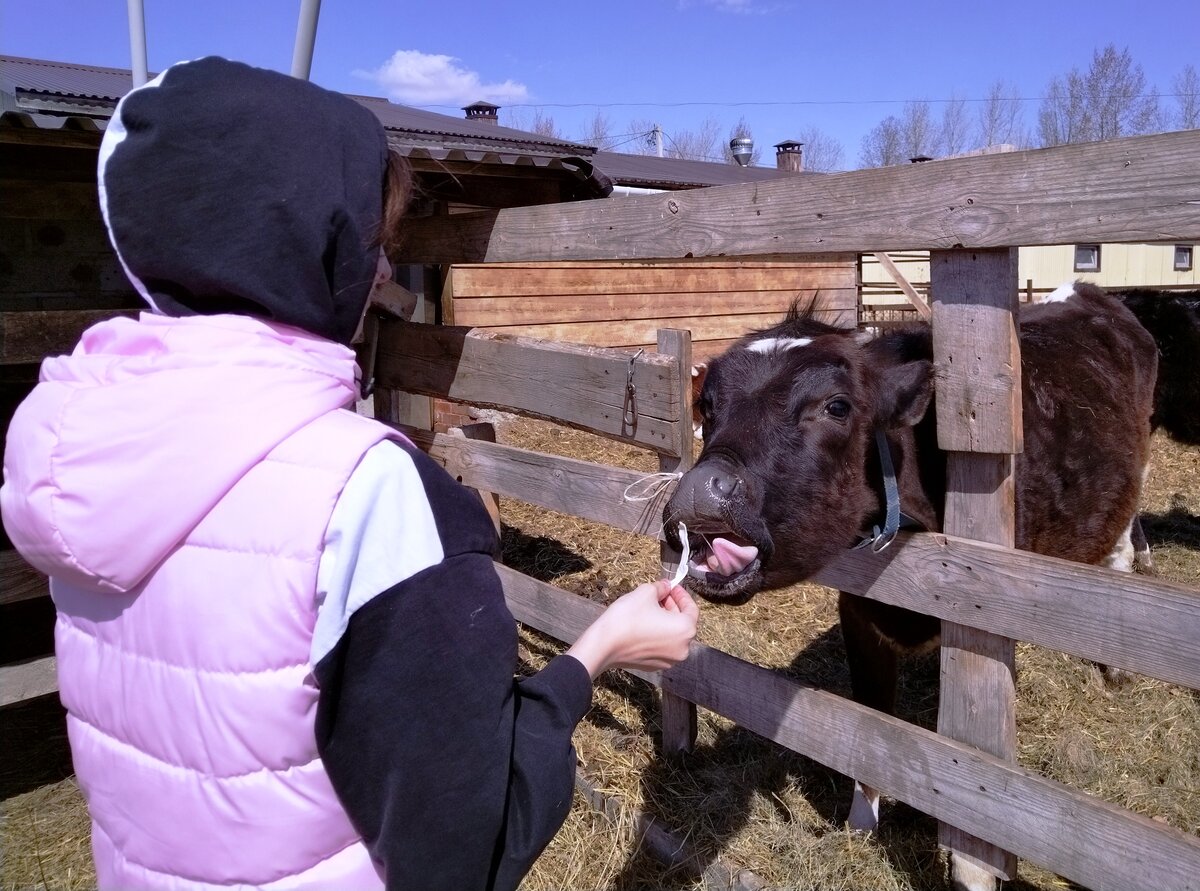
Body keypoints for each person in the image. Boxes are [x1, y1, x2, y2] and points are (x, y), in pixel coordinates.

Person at [0, 56, 698, 891]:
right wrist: (602, 648)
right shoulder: (366, 494)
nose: (379, 274)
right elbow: (468, 849)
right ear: (306, 245)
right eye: (366, 239)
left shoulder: (74, 454)